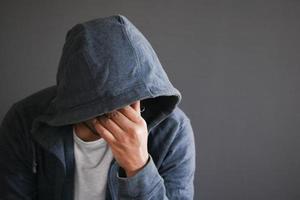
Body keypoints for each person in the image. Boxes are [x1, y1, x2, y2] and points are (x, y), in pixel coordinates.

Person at [0, 14, 196, 200]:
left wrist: (138, 166)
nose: (116, 109)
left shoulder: (173, 132)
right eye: (100, 101)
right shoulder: (25, 121)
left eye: (129, 95)